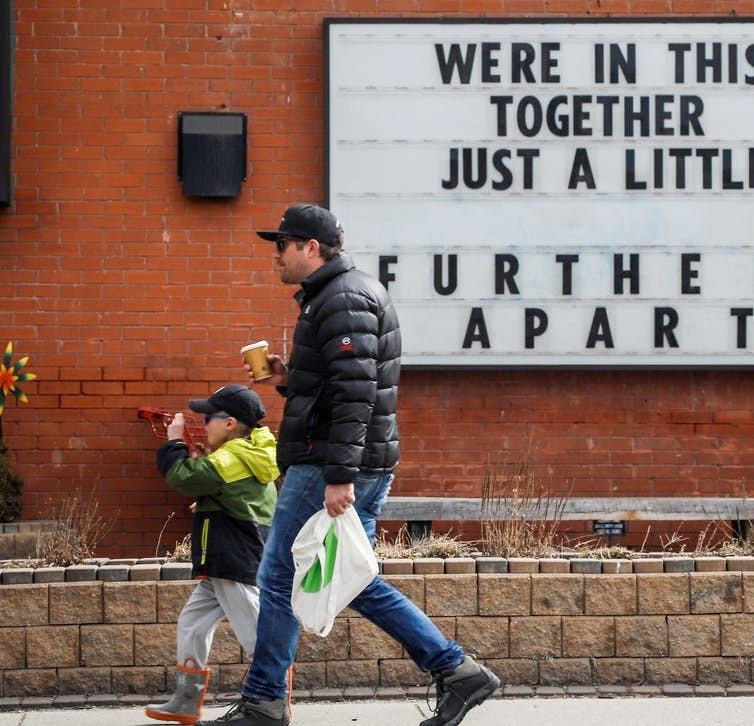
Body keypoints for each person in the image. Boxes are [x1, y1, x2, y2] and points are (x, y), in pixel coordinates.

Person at [200, 204, 499, 726]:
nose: (276, 256)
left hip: (329, 464)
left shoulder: (342, 299)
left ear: (310, 247)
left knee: (277, 574)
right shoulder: (336, 297)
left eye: (282, 245)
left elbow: (357, 395)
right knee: (350, 578)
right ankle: (457, 670)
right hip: (339, 459)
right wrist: (289, 377)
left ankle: (265, 702)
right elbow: (339, 385)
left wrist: (341, 476)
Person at [145, 384, 280, 726]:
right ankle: (186, 702)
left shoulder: (230, 456)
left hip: (234, 559)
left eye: (209, 417)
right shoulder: (249, 453)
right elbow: (242, 498)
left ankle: (272, 705)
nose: (203, 423)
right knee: (192, 624)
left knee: (257, 636)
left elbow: (184, 477)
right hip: (223, 558)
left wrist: (174, 441)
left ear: (231, 423)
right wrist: (208, 502)